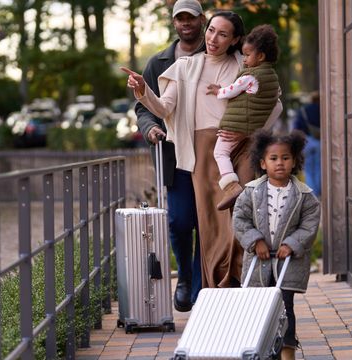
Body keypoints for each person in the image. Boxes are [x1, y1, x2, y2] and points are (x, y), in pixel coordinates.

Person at [123, 11, 283, 289]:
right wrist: (142, 90)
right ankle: (216, 288)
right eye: (211, 30)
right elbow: (163, 108)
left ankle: (244, 282)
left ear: (234, 39)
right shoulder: (186, 66)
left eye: (222, 34)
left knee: (243, 215)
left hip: (243, 147)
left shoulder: (244, 65)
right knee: (211, 225)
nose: (213, 38)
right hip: (204, 153)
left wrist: (249, 131)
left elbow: (275, 105)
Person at [134, 0, 206, 312]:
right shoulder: (158, 62)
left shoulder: (217, 54)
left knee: (209, 222)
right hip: (173, 155)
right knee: (179, 220)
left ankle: (202, 284)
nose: (186, 23)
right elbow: (143, 108)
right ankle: (186, 278)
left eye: (191, 17)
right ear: (174, 22)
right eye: (181, 18)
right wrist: (150, 129)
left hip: (212, 156)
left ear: (201, 19)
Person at [232, 128, 321, 360]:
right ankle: (260, 350)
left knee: (285, 307)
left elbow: (309, 225)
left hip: (287, 263)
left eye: (285, 158)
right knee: (258, 307)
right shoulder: (251, 192)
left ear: (294, 161)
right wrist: (255, 240)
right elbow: (240, 219)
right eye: (273, 158)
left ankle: (287, 352)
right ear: (262, 163)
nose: (279, 163)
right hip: (258, 260)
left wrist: (292, 244)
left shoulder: (305, 196)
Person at [206, 24, 282, 211]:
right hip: (252, 127)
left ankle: (232, 187)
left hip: (236, 125)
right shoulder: (272, 76)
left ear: (261, 56)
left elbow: (229, 92)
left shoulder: (250, 76)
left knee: (220, 153)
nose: (245, 60)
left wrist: (218, 90)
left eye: (247, 55)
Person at [291, 92, 321, 197]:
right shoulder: (324, 109)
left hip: (306, 142)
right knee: (318, 168)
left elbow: (295, 128)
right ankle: (319, 193)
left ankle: (312, 194)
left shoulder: (303, 110)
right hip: (320, 142)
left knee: (308, 169)